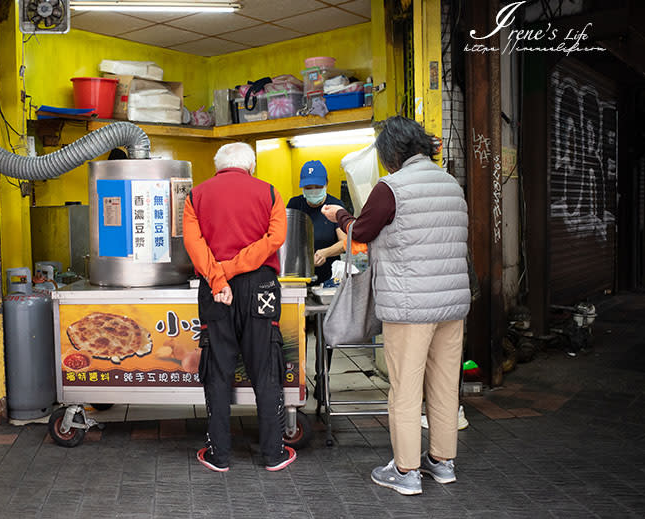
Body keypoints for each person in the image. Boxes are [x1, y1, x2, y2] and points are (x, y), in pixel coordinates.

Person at [322, 116, 471, 496]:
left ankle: (405, 471)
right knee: (443, 385)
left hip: (410, 306)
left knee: (405, 389)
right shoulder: (450, 183)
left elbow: (362, 232)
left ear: (391, 152)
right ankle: (442, 463)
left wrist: (338, 215)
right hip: (452, 305)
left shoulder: (392, 187)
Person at [182, 142, 297, 473]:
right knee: (265, 364)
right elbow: (275, 239)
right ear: (251, 165)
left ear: (218, 166)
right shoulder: (270, 192)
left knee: (218, 367)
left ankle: (219, 455)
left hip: (216, 287)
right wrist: (235, 269)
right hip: (260, 285)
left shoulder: (196, 196)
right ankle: (273, 454)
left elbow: (193, 243)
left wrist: (220, 278)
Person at [286, 160, 347, 285]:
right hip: (299, 276)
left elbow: (345, 242)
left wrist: (325, 253)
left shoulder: (336, 206)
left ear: (326, 184)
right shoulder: (295, 205)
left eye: (318, 187)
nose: (313, 191)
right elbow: (286, 239)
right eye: (308, 188)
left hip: (329, 278)